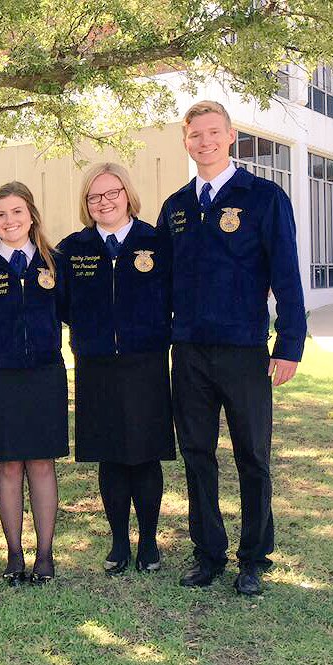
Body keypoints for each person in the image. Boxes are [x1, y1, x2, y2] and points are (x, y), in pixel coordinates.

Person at [157, 101, 307, 596]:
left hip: (245, 351)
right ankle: (208, 553)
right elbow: (160, 283)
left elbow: (286, 274)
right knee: (198, 453)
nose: (204, 142)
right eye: (195, 135)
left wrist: (288, 345)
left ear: (230, 136)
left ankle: (253, 557)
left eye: (213, 133)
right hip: (190, 353)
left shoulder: (263, 197)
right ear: (185, 141)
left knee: (252, 455)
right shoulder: (176, 207)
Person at [58, 163, 174, 576]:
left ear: (127, 195)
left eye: (112, 193)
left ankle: (148, 541)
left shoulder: (157, 243)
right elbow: (62, 303)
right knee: (111, 455)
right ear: (86, 203)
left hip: (145, 363)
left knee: (144, 455)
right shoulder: (72, 248)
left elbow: (172, 295)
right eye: (95, 196)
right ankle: (119, 542)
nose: (104, 202)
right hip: (97, 364)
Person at [0, 182, 68, 586]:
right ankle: (14, 554)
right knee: (7, 466)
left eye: (17, 212)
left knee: (41, 464)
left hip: (44, 375)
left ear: (32, 216)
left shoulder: (54, 262)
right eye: (0, 214)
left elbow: (74, 311)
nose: (10, 221)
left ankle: (45, 554)